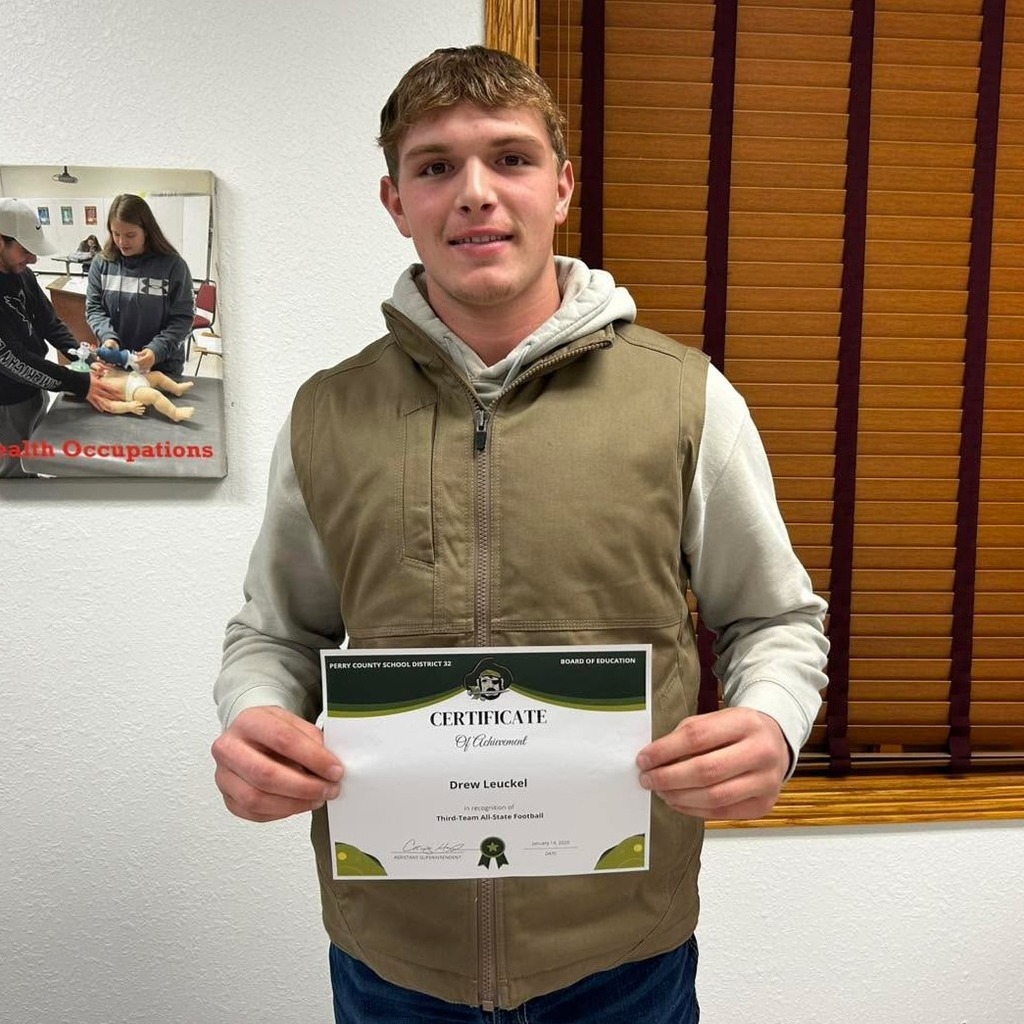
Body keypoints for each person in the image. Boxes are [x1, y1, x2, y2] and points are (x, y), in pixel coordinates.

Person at [211, 46, 829, 1022]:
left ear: (562, 185)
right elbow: (276, 632)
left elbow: (775, 619)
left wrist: (772, 727)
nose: (474, 193)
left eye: (510, 158)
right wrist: (252, 714)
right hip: (394, 959)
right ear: (394, 199)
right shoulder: (326, 413)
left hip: (621, 958)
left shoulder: (683, 399)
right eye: (434, 166)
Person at [0, 198, 122, 478]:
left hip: (33, 387)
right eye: (26, 250)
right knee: (13, 474)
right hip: (5, 402)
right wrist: (79, 383)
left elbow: (49, 323)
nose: (32, 258)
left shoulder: (23, 275)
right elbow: (13, 360)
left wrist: (84, 356)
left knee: (32, 456)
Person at [85, 194, 194, 376]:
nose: (121, 242)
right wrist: (108, 338)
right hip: (117, 365)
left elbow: (183, 319)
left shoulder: (173, 266)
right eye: (116, 233)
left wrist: (156, 350)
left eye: (130, 235)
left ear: (147, 230)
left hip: (162, 368)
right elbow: (94, 308)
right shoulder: (101, 264)